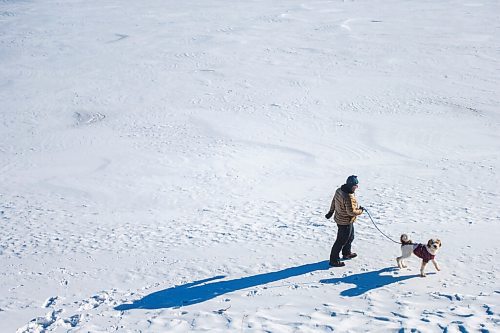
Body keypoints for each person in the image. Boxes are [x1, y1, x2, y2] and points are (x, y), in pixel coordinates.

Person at [325, 175, 364, 267]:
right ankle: (333, 260)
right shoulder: (348, 196)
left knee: (350, 237)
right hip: (344, 221)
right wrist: (361, 211)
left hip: (345, 220)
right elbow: (351, 212)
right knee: (341, 241)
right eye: (355, 185)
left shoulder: (339, 190)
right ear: (351, 185)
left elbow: (334, 201)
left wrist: (331, 212)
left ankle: (346, 253)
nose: (357, 187)